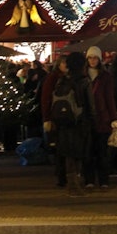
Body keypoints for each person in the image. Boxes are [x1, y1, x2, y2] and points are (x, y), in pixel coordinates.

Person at [44, 52, 94, 197]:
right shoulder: (84, 81)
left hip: (63, 121)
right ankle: (75, 185)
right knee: (80, 153)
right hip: (80, 121)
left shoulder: (62, 80)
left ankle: (71, 183)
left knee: (68, 154)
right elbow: (91, 105)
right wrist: (93, 120)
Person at [83, 46, 117, 190]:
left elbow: (109, 98)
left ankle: (103, 180)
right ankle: (89, 179)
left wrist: (113, 117)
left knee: (102, 151)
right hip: (86, 118)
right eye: (90, 58)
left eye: (95, 58)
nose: (92, 61)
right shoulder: (83, 76)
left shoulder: (105, 77)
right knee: (88, 151)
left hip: (102, 118)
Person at [40, 55, 68, 187]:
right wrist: (47, 118)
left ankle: (65, 174)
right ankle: (61, 175)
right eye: (64, 63)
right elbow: (46, 98)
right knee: (59, 146)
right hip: (56, 116)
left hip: (67, 115)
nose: (66, 65)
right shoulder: (53, 78)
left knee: (65, 146)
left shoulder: (70, 77)